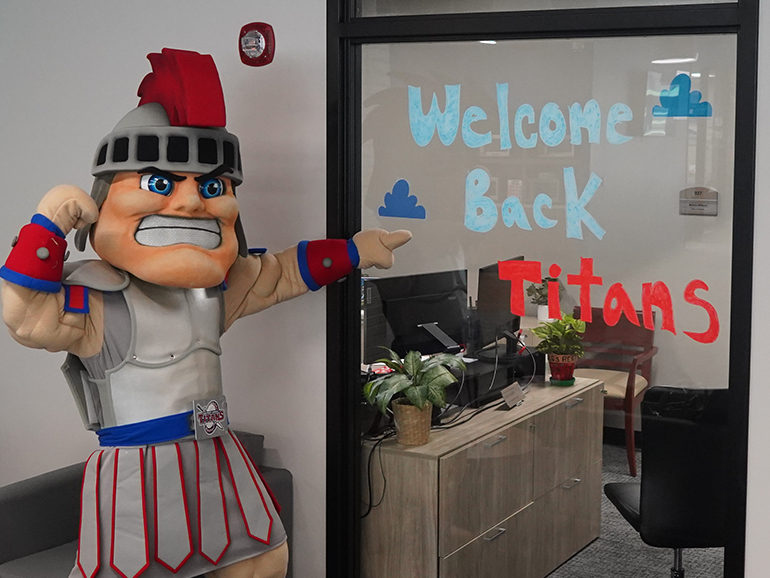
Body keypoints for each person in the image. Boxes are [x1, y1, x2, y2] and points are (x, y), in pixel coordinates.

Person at [0, 48, 410, 578]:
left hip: (215, 453)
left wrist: (355, 250)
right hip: (137, 467)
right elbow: (26, 316)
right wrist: (49, 219)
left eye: (212, 186)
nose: (192, 203)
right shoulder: (95, 294)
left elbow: (281, 274)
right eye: (160, 183)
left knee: (262, 558)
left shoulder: (210, 291)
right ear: (104, 199)